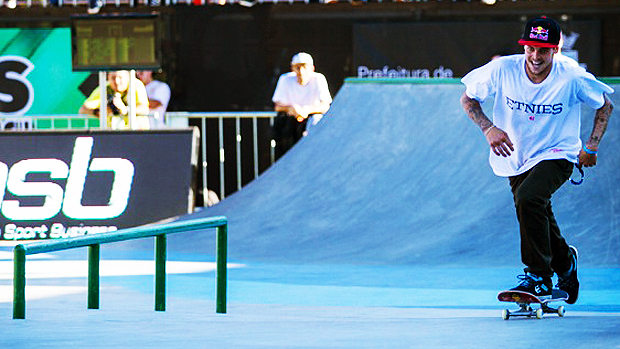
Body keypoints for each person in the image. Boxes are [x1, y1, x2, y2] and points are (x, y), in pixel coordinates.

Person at [460, 16, 614, 304]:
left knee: (530, 199)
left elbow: (605, 105)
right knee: (536, 208)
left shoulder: (571, 76)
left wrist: (591, 147)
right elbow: (468, 99)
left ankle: (539, 277)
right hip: (516, 153)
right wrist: (488, 128)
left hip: (559, 152)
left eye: (542, 50)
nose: (535, 57)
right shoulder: (503, 69)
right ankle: (566, 264)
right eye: (530, 48)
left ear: (555, 50)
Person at [272, 52, 332, 158]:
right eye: (297, 67)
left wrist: (307, 110)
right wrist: (291, 109)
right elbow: (277, 106)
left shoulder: (319, 79)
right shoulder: (285, 79)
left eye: (304, 67)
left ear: (312, 68)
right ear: (292, 68)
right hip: (290, 125)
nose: (301, 72)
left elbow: (325, 106)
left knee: (316, 121)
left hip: (311, 121)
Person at [79, 70, 150, 130]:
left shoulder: (135, 85)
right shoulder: (105, 88)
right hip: (112, 133)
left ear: (127, 78)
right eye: (113, 78)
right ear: (108, 78)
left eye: (120, 78)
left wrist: (125, 110)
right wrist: (99, 112)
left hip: (136, 131)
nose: (117, 82)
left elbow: (144, 109)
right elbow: (83, 110)